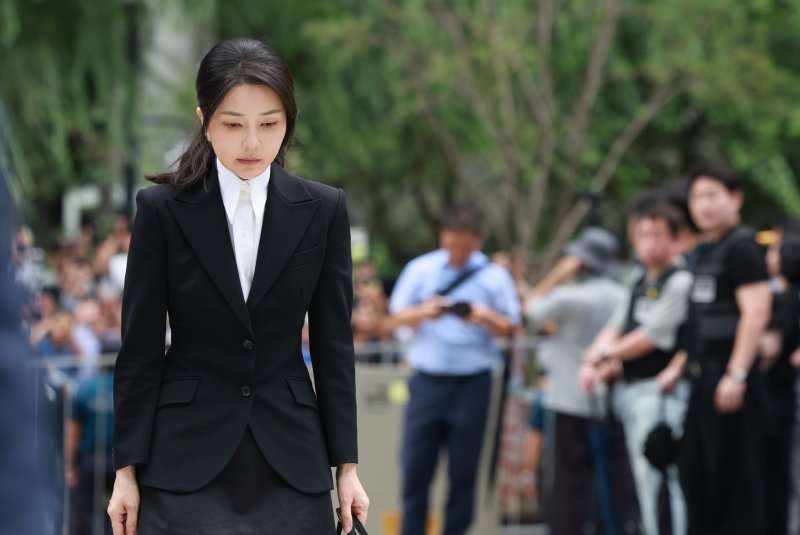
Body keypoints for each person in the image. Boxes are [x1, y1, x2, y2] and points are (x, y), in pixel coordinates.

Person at [107, 38, 368, 535]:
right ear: (204, 121)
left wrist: (348, 467)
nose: (252, 143)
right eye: (233, 124)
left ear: (288, 121)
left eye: (269, 124)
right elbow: (139, 349)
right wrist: (125, 472)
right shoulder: (160, 211)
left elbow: (335, 346)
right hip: (183, 458)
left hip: (291, 458)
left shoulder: (324, 210)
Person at [388, 204, 520, 535]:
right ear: (442, 236)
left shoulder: (494, 276)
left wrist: (483, 315)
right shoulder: (421, 268)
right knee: (415, 470)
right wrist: (425, 312)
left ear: (478, 240)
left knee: (464, 473)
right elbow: (395, 316)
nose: (457, 250)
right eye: (452, 241)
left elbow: (512, 327)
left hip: (472, 384)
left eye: (464, 243)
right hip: (426, 382)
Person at [579, 203, 691, 535]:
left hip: (661, 392)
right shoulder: (639, 278)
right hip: (629, 391)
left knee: (665, 480)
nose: (649, 243)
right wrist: (593, 360)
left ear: (675, 239)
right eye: (642, 235)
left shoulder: (681, 280)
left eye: (657, 235)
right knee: (644, 481)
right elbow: (616, 326)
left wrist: (602, 356)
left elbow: (651, 336)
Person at [679, 163, 772, 535]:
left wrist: (736, 373)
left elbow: (757, 311)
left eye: (712, 195)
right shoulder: (708, 252)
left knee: (735, 485)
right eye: (697, 197)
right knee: (699, 479)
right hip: (702, 381)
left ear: (735, 199)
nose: (703, 205)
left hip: (730, 383)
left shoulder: (742, 248)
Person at [525, 227, 633, 535]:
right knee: (610, 481)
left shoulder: (568, 296)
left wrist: (557, 275)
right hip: (610, 401)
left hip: (568, 401)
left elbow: (529, 309)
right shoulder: (623, 295)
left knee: (567, 482)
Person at [758, 226, 800, 535]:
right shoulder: (783, 294)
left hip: (779, 395)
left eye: (774, 251)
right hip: (782, 396)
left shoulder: (785, 299)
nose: (769, 257)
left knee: (783, 475)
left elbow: (772, 350)